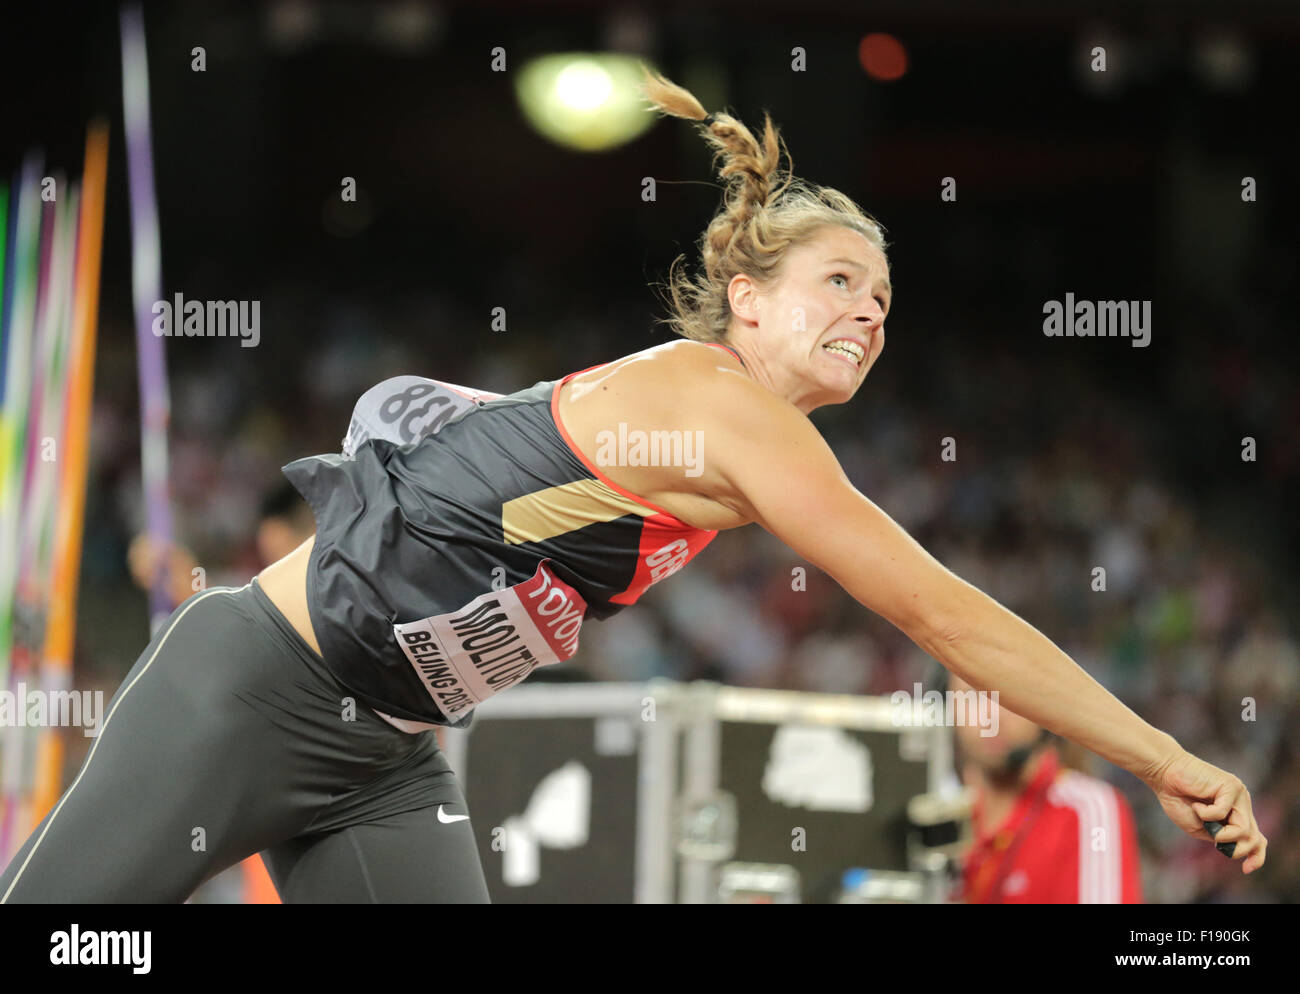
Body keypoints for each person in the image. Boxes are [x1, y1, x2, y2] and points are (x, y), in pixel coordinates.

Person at [0, 68, 1265, 903]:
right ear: (749, 297)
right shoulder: (723, 409)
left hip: (380, 759)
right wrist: (1159, 758)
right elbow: (946, 620)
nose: (868, 315)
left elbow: (465, 461)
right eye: (839, 283)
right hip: (259, 688)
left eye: (882, 301)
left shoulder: (705, 430)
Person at [947, 672, 1143, 903]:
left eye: (1011, 696)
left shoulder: (1087, 810)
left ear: (1043, 708)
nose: (992, 716)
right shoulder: (933, 816)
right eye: (974, 697)